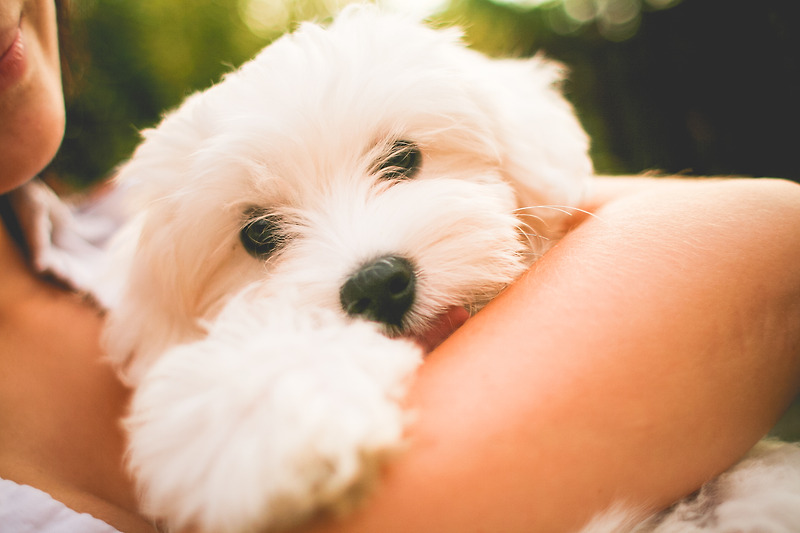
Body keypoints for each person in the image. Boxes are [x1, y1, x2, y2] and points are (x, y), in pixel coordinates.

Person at [1, 1, 799, 532]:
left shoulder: (109, 228)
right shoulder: (161, 265)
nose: (367, 258)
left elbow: (769, 239)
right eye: (264, 237)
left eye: (403, 159)